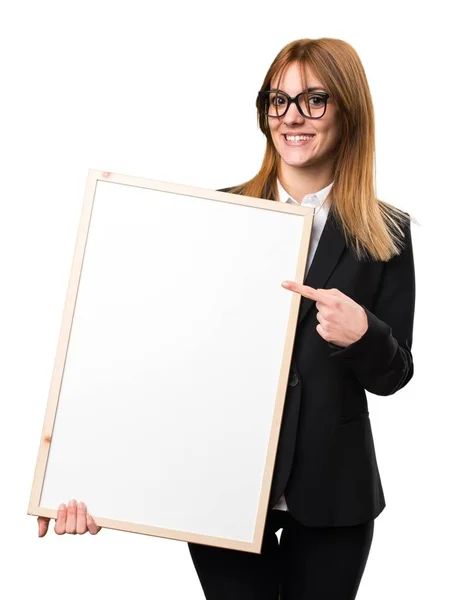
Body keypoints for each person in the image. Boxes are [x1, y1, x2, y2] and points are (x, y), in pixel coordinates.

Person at [38, 36, 416, 600]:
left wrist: (364, 335)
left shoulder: (387, 232)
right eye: (278, 100)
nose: (292, 117)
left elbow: (394, 375)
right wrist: (95, 483)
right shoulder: (216, 215)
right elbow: (152, 350)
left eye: (315, 100)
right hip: (221, 486)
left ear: (349, 111)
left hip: (335, 491)